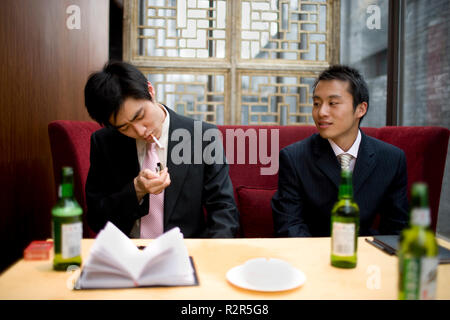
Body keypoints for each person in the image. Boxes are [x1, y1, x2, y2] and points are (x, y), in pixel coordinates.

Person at [84, 61, 240, 238]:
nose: (140, 131)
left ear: (150, 91)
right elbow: (97, 219)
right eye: (124, 127)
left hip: (185, 252)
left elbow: (223, 210)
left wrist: (209, 257)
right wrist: (136, 191)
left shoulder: (203, 137)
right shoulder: (105, 142)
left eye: (140, 116)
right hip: (128, 252)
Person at [272, 65, 409, 237]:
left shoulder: (391, 159)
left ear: (361, 109)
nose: (321, 112)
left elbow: (397, 230)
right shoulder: (294, 157)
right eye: (316, 103)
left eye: (333, 103)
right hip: (311, 254)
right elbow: (289, 226)